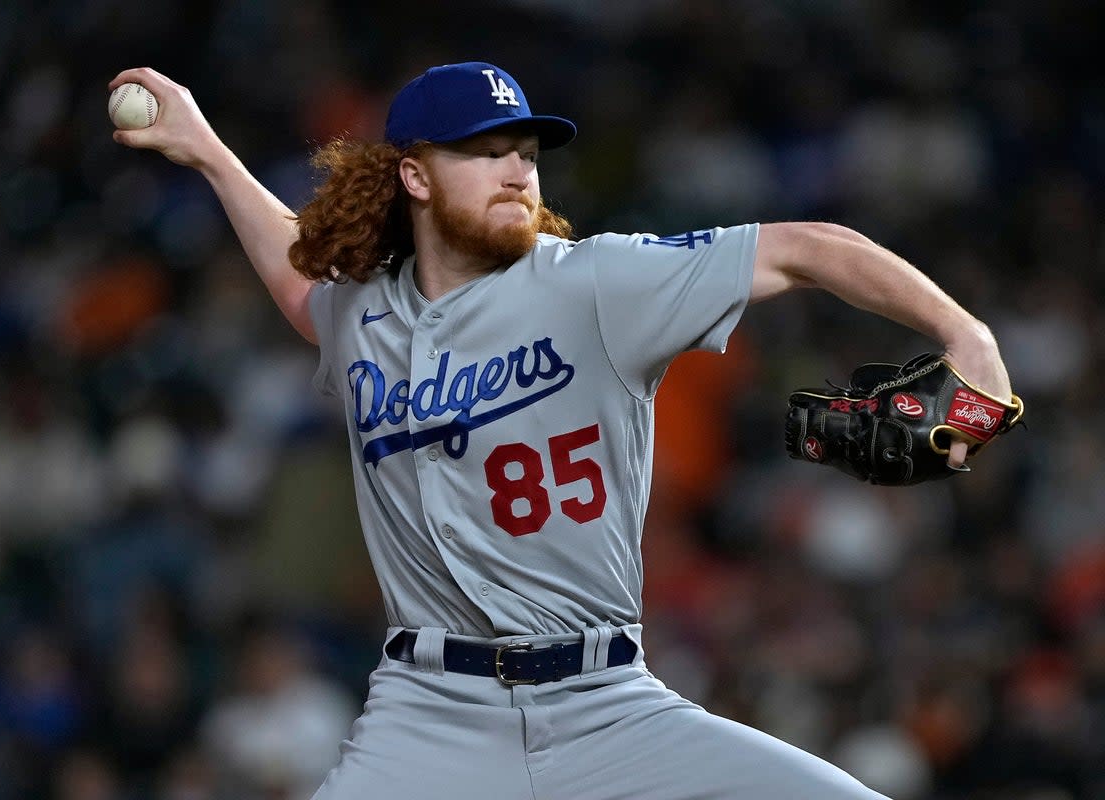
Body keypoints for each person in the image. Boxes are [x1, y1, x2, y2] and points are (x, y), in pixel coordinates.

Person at [109, 61, 1013, 799]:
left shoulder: (594, 283)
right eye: (484, 150)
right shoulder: (363, 318)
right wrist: (212, 157)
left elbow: (805, 246)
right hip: (429, 716)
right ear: (414, 176)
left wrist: (965, 336)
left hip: (609, 705)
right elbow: (299, 283)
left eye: (526, 152)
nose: (516, 169)